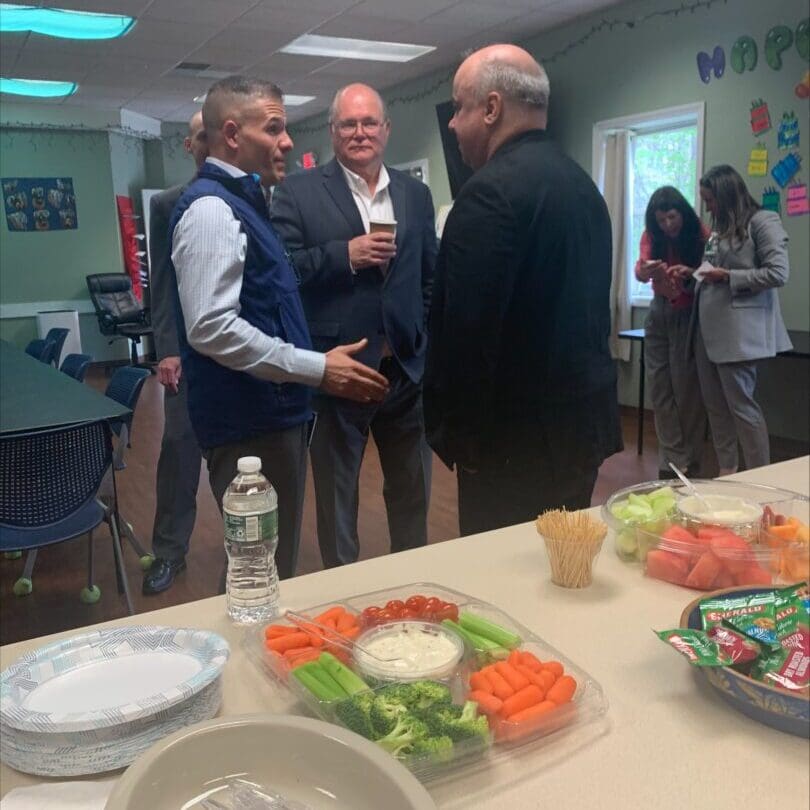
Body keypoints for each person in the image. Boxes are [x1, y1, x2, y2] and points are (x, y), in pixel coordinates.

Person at [169, 75, 389, 582]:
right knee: (258, 575)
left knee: (271, 566)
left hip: (269, 421)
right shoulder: (211, 210)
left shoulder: (247, 203)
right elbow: (212, 328)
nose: (288, 142)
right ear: (231, 134)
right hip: (249, 430)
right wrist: (315, 368)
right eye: (274, 129)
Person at [423, 44, 622, 536]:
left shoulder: (488, 194)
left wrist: (460, 444)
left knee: (507, 584)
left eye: (459, 107)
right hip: (579, 434)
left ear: (492, 109)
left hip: (512, 447)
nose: (451, 124)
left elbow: (467, 335)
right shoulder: (583, 187)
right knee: (562, 565)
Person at [271, 83, 437, 567]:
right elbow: (280, 272)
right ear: (332, 131)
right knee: (338, 501)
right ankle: (343, 594)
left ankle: (412, 583)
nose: (360, 133)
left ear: (385, 129)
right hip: (339, 375)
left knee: (413, 492)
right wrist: (342, 255)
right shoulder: (297, 192)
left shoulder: (415, 194)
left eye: (369, 123)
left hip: (405, 371)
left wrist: (422, 338)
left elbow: (429, 274)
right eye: (349, 124)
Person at [681, 164, 791, 474]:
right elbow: (711, 269)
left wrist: (729, 276)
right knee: (715, 411)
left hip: (738, 336)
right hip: (706, 332)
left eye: (711, 200)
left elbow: (778, 273)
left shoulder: (763, 221)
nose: (707, 207)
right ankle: (728, 475)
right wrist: (691, 273)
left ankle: (759, 475)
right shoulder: (719, 228)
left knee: (742, 408)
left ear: (727, 195)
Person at [143, 112, 207, 595]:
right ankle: (168, 552)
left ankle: (250, 552)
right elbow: (161, 285)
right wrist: (166, 349)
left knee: (246, 462)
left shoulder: (256, 197)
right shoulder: (168, 204)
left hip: (244, 357)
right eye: (202, 135)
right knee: (179, 452)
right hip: (188, 354)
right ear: (190, 145)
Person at [634, 186, 710, 480]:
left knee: (686, 390)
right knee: (660, 389)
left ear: (682, 213)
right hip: (659, 313)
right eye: (661, 220)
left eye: (672, 218)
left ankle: (690, 460)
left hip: (688, 315)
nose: (667, 225)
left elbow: (713, 272)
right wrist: (647, 270)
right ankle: (672, 462)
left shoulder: (700, 234)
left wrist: (689, 273)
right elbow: (640, 270)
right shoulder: (652, 236)